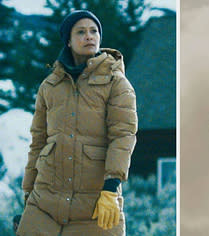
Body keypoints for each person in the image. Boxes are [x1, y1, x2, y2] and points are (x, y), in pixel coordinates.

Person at [16, 10, 137, 236]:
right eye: (80, 32)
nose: (89, 36)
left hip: (95, 204)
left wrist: (110, 189)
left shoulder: (116, 82)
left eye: (94, 31)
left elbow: (123, 135)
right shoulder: (49, 86)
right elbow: (38, 142)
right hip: (44, 204)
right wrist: (27, 197)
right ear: (69, 42)